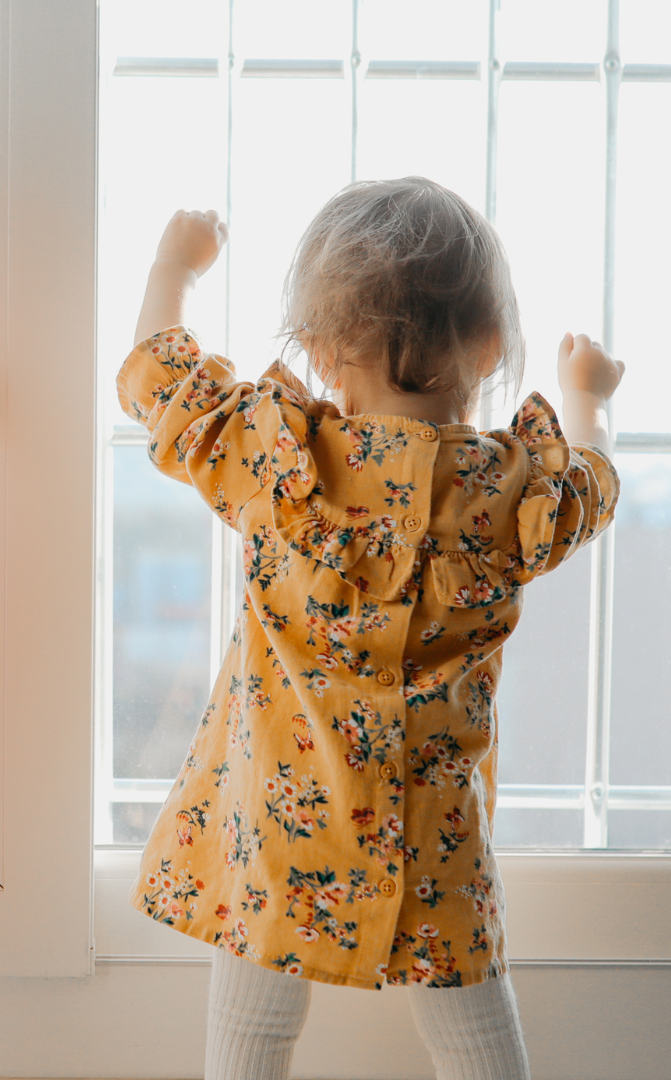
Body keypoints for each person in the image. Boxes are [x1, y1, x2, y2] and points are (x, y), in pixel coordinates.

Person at [120, 182, 622, 1080]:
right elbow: (588, 483)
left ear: (318, 350)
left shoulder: (283, 464)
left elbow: (164, 377)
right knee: (474, 1031)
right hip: (435, 835)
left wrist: (174, 267)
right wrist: (587, 394)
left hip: (283, 822)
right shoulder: (508, 496)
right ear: (493, 346)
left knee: (252, 1026)